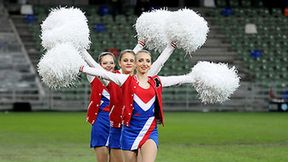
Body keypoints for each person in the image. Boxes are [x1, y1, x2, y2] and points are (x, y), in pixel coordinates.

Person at [80, 48, 192, 162]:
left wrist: (196, 77)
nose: (144, 64)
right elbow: (102, 72)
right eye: (141, 61)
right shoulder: (123, 79)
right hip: (126, 129)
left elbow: (173, 75)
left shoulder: (155, 80)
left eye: (148, 61)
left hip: (149, 129)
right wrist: (82, 66)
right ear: (134, 64)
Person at [86, 52, 117, 162]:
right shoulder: (93, 76)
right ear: (99, 64)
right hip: (101, 120)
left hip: (117, 121)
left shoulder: (120, 76)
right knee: (102, 157)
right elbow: (88, 62)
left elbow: (130, 57)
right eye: (105, 63)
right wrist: (79, 47)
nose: (109, 65)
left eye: (111, 63)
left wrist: (140, 44)